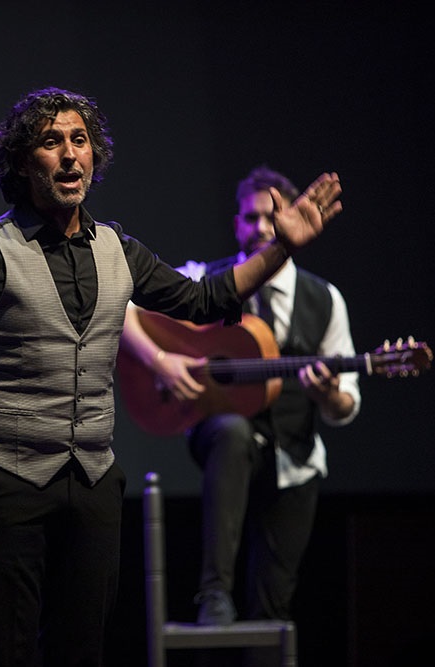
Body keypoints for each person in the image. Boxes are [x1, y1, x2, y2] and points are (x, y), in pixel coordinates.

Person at [0, 87, 342, 667]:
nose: (69, 154)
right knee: (6, 652)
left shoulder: (119, 249)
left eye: (80, 140)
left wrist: (281, 248)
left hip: (92, 482)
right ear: (22, 162)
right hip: (7, 479)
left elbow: (206, 300)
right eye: (51, 141)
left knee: (81, 651)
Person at [120, 166, 360, 644]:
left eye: (273, 217)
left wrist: (327, 394)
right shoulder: (202, 280)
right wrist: (161, 360)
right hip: (224, 437)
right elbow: (121, 306)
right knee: (231, 432)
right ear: (237, 224)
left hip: (293, 455)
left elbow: (345, 404)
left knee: (273, 605)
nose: (263, 228)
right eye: (252, 217)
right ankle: (213, 592)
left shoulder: (325, 299)